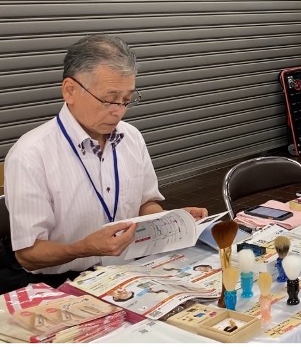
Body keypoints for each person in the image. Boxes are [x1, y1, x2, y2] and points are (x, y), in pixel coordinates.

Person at [4, 35, 208, 288]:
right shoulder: (30, 155)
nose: (118, 111)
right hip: (62, 283)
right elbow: (28, 254)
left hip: (129, 270)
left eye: (127, 100)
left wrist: (170, 221)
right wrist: (83, 248)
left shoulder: (131, 137)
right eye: (109, 99)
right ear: (70, 90)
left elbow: (145, 203)